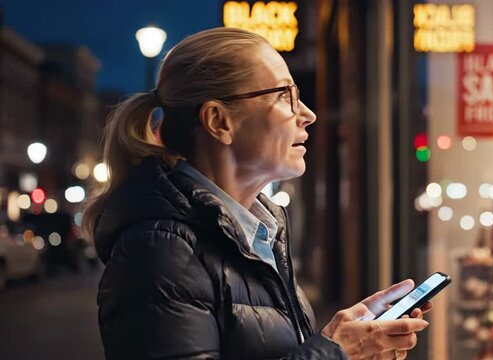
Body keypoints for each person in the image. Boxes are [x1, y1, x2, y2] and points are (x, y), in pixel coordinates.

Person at [82, 28, 431, 360]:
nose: (307, 115)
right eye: (285, 96)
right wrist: (334, 351)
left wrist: (348, 346)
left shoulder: (257, 234)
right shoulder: (160, 251)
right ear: (219, 121)